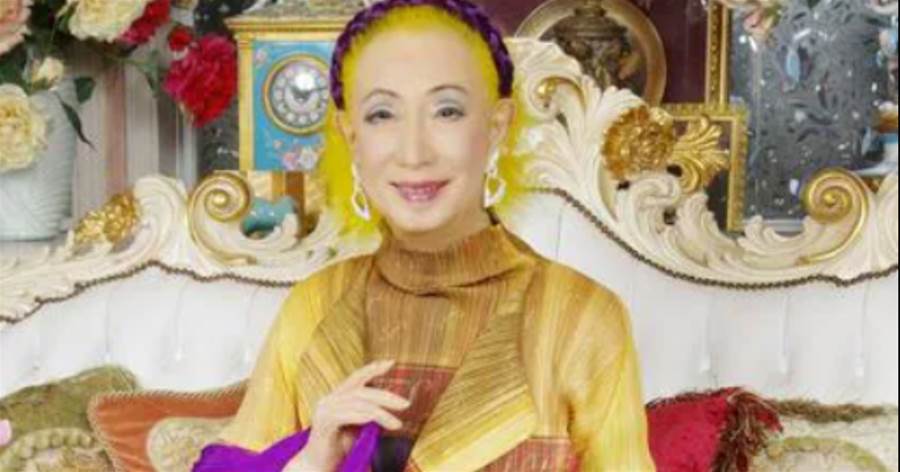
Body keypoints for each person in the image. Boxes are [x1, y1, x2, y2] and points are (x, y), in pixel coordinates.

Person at [194, 0, 655, 470]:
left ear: (497, 126)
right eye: (381, 115)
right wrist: (311, 461)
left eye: (447, 111)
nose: (413, 153)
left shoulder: (580, 316)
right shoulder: (315, 306)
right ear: (350, 135)